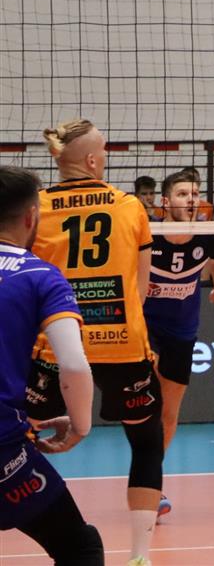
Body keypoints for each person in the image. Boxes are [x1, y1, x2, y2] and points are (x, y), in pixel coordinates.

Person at [26, 119, 165, 566]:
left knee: (14, 436)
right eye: (103, 151)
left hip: (55, 344)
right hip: (122, 346)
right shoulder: (128, 206)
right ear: (91, 160)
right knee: (146, 443)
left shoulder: (37, 208)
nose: (104, 158)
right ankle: (139, 557)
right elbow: (141, 289)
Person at [0, 166, 103, 565]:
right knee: (80, 547)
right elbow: (73, 364)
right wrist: (80, 424)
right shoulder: (40, 275)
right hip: (3, 448)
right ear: (31, 218)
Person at [142, 170, 214, 518]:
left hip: (182, 330)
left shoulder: (209, 235)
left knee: (168, 413)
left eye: (195, 194)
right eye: (182, 194)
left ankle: (152, 480)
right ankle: (144, 477)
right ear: (165, 202)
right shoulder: (146, 232)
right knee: (148, 405)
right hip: (145, 327)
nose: (190, 199)